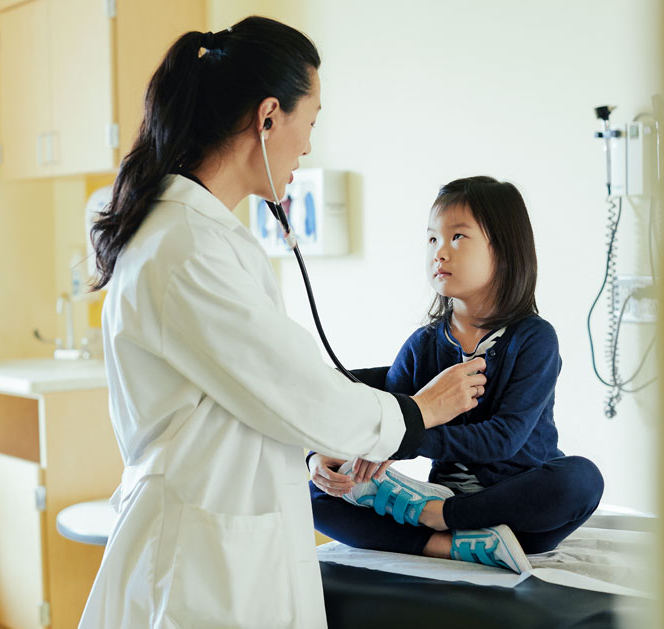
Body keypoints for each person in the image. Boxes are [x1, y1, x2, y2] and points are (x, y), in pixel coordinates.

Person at [79, 17, 487, 628]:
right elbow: (295, 388)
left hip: (225, 539)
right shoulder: (185, 246)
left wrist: (310, 450)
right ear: (269, 116)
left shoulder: (203, 237)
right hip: (199, 562)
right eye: (311, 121)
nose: (309, 146)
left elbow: (243, 399)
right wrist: (418, 411)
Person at [309, 176, 605, 573]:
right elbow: (391, 418)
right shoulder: (423, 344)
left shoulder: (534, 339)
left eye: (457, 238)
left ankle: (437, 521)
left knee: (581, 479)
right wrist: (325, 455)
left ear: (502, 249)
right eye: (432, 240)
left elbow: (505, 439)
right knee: (314, 495)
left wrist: (434, 498)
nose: (439, 253)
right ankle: (445, 546)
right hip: (440, 494)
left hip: (516, 510)